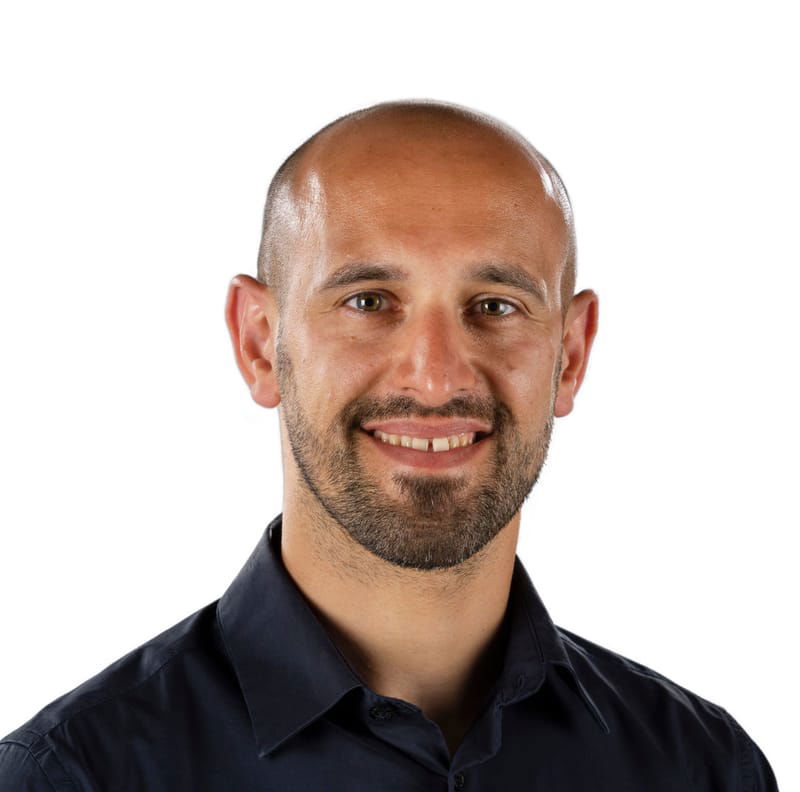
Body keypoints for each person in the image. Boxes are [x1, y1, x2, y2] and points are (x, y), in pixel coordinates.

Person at [0, 99, 779, 790]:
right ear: (258, 342)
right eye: (369, 301)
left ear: (570, 356)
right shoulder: (75, 777)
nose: (435, 378)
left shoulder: (703, 769)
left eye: (494, 306)